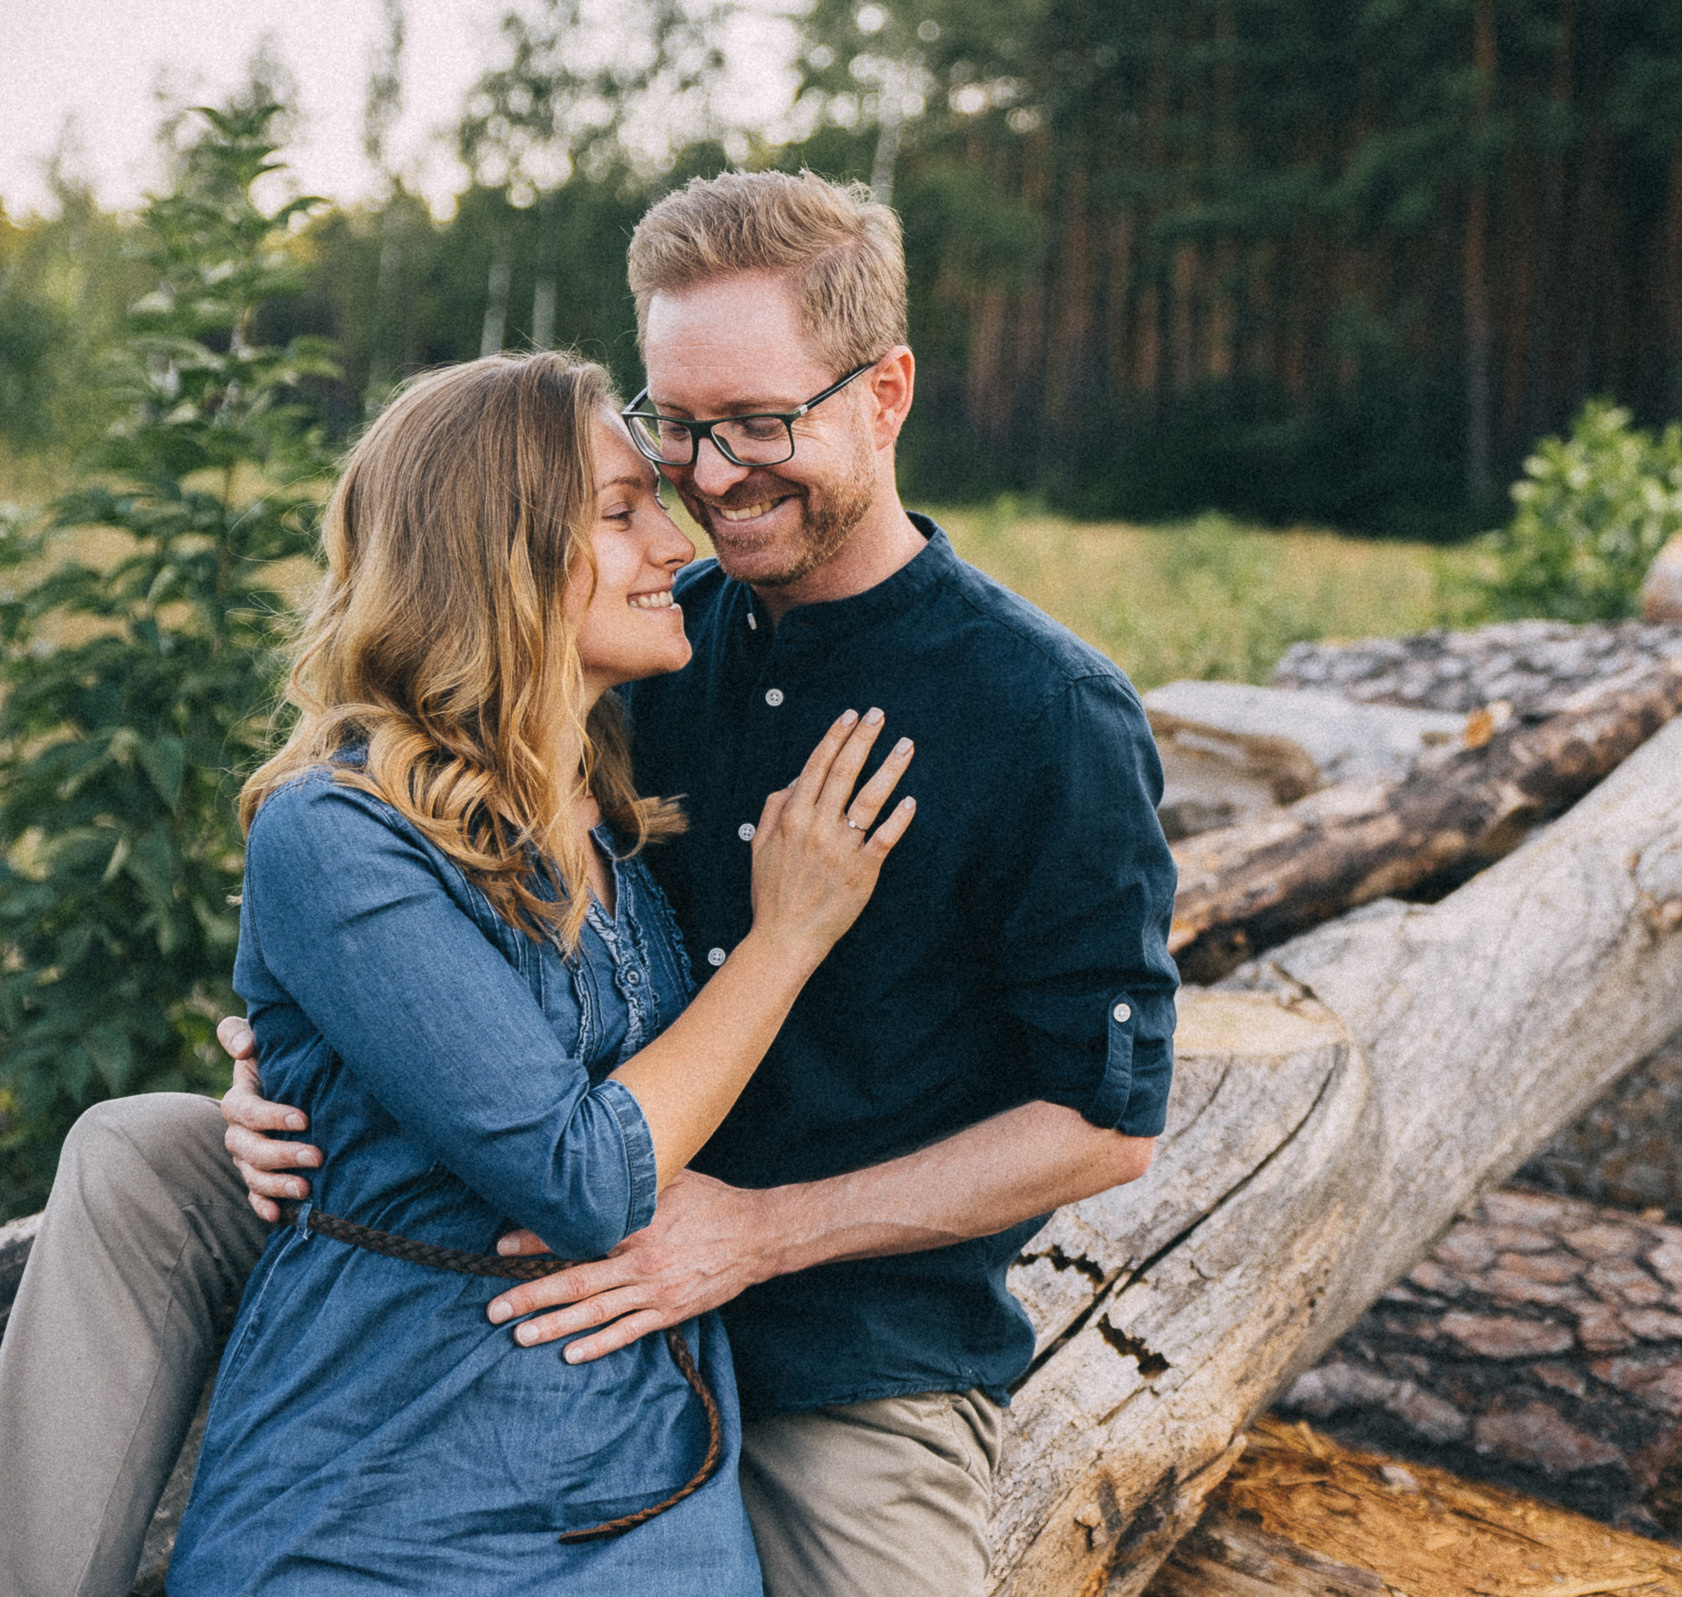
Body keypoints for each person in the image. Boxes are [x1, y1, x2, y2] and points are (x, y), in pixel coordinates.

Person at [0, 169, 1179, 1597]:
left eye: (761, 421)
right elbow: (408, 882)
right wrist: (286, 1063)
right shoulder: (637, 642)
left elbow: (1102, 1128)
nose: (713, 475)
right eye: (679, 428)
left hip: (834, 1327)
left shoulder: (1044, 713)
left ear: (887, 392)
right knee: (138, 1152)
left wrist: (755, 1235)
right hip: (508, 1202)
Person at [165, 349, 917, 1592]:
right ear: (489, 554)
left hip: (645, 1466)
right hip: (392, 1481)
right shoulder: (337, 829)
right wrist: (788, 938)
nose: (673, 543)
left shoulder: (615, 816)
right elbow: (581, 1175)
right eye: (620, 514)